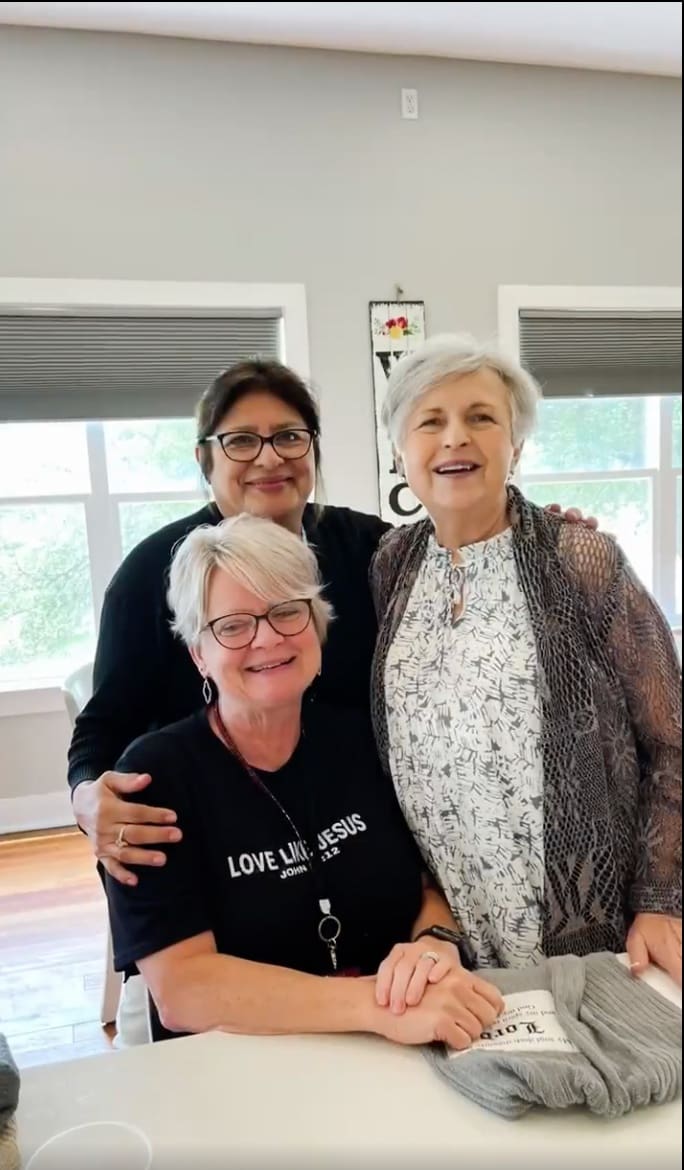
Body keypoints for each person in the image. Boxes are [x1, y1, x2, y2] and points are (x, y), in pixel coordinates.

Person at [68, 358, 594, 887]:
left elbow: (464, 556)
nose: (269, 457)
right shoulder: (153, 573)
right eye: (242, 441)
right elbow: (103, 726)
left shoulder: (371, 548)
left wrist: (543, 534)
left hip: (358, 825)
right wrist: (88, 797)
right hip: (224, 845)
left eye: (289, 437)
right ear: (205, 458)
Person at [104, 513, 505, 1046]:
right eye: (233, 625)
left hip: (394, 1046)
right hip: (241, 1069)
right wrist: (374, 1006)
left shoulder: (367, 738)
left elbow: (429, 884)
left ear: (317, 625)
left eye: (287, 612)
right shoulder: (153, 780)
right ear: (199, 654)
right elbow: (183, 990)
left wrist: (435, 945)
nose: (267, 638)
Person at [370, 333, 682, 985]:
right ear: (401, 453)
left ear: (516, 445)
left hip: (601, 932)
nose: (455, 437)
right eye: (431, 421)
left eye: (481, 417)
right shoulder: (391, 566)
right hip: (452, 941)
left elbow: (672, 741)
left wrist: (660, 901)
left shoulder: (582, 561)